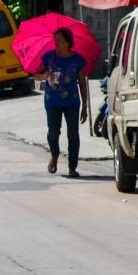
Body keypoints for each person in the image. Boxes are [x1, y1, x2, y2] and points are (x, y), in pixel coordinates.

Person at [34, 28, 89, 177]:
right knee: (53, 134)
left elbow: (82, 84)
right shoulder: (48, 57)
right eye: (55, 40)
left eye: (59, 40)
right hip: (52, 102)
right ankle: (54, 155)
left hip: (72, 102)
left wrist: (85, 107)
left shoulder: (78, 60)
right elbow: (36, 75)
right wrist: (43, 75)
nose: (56, 43)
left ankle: (72, 167)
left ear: (67, 42)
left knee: (73, 135)